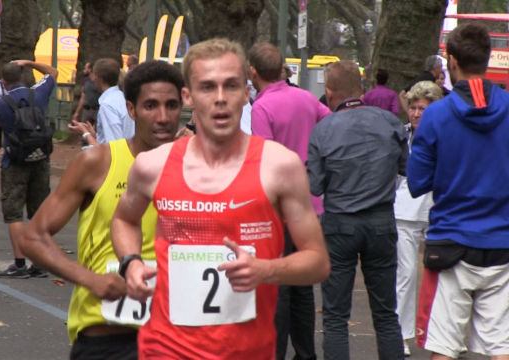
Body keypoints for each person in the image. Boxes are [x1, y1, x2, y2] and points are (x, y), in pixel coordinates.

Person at [110, 38, 330, 359]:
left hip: (248, 349)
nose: (220, 99)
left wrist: (265, 270)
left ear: (246, 92)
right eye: (207, 87)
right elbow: (123, 219)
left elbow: (318, 262)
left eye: (231, 86)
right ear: (188, 96)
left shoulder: (279, 167)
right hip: (165, 347)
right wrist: (130, 263)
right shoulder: (152, 166)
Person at [20, 61, 184, 360]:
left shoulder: (196, 168)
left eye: (171, 105)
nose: (163, 117)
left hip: (176, 336)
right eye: (151, 106)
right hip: (108, 337)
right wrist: (89, 279)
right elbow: (33, 237)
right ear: (132, 111)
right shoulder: (99, 163)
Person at [408, 23, 509, 360]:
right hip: (502, 243)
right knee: (501, 348)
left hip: (450, 245)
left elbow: (416, 182)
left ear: (451, 62)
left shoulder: (435, 115)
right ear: (487, 59)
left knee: (443, 348)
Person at [307, 60, 407, 360]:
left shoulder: (323, 129)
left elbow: (315, 186)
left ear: (329, 92)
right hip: (381, 222)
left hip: (339, 224)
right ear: (362, 89)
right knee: (386, 314)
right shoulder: (390, 122)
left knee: (335, 316)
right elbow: (405, 168)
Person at [248, 41, 331, 360]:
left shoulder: (262, 108)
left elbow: (265, 160)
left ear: (253, 72)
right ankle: (306, 353)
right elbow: (329, 124)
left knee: (279, 284)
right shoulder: (306, 98)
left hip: (279, 210)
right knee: (303, 286)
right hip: (312, 202)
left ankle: (276, 352)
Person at [0, 60, 57, 279]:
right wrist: (29, 62)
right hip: (40, 159)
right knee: (39, 211)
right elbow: (53, 72)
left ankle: (19, 264)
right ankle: (40, 263)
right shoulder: (39, 93)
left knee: (14, 212)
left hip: (15, 161)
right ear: (22, 76)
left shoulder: (0, 103)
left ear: (3, 81)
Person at [393, 81, 442, 357]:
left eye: (422, 108)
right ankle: (401, 335)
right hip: (405, 211)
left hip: (438, 209)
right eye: (412, 108)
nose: (415, 114)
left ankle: (444, 335)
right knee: (405, 275)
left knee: (443, 276)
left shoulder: (445, 133)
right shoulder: (400, 135)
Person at [92, 59, 134, 144]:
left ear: (98, 77)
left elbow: (114, 145)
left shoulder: (108, 105)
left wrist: (86, 135)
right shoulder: (122, 98)